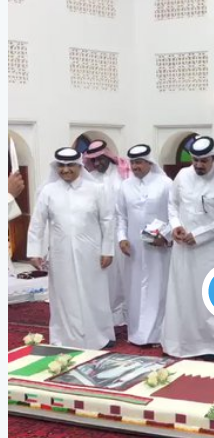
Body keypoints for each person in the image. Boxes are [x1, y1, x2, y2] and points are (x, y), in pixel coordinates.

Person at [27, 146, 115, 349]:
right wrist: (34, 251)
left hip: (91, 252)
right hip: (61, 253)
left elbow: (107, 221)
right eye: (61, 166)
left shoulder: (96, 189)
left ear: (79, 166)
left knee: (94, 294)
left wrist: (107, 250)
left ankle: (99, 335)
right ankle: (65, 337)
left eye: (70, 166)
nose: (65, 170)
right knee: (64, 295)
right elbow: (37, 223)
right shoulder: (49, 191)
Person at [161, 136, 214, 359]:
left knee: (205, 296)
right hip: (182, 248)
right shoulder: (182, 176)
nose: (199, 165)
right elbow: (173, 204)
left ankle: (206, 346)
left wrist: (199, 235)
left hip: (207, 250)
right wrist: (176, 226)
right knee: (180, 293)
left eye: (204, 161)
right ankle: (176, 344)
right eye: (195, 160)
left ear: (213, 159)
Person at [116, 144, 172, 346]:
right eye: (132, 162)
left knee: (158, 288)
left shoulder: (165, 184)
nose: (135, 167)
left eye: (139, 162)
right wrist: (121, 238)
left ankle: (157, 334)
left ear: (149, 162)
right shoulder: (125, 186)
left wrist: (166, 236)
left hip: (158, 248)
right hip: (134, 248)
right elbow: (121, 216)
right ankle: (137, 333)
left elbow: (175, 214)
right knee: (134, 289)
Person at [83, 140, 129, 327]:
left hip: (121, 231)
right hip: (98, 233)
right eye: (93, 160)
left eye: (100, 159)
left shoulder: (122, 174)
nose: (97, 163)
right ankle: (106, 315)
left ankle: (125, 314)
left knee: (123, 274)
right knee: (105, 274)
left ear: (108, 157)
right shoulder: (90, 178)